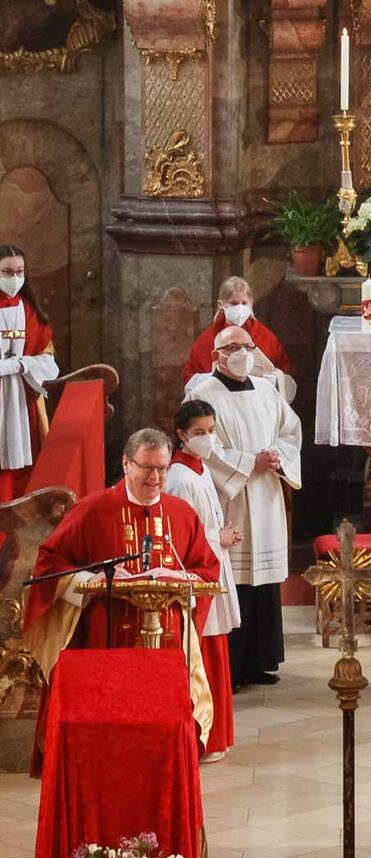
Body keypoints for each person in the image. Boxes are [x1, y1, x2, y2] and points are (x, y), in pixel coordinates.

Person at [22, 428, 222, 761]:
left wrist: (179, 576)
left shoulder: (181, 514)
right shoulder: (94, 510)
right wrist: (91, 578)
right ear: (126, 463)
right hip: (109, 637)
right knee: (111, 739)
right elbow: (48, 565)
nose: (155, 477)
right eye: (147, 467)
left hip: (170, 642)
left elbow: (207, 571)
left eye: (162, 468)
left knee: (165, 735)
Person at [187, 326, 302, 690]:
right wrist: (248, 462)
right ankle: (232, 666)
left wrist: (276, 457)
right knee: (235, 580)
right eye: (233, 347)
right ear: (217, 355)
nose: (242, 353)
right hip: (230, 495)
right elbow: (203, 445)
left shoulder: (267, 390)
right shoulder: (202, 393)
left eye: (247, 347)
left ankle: (261, 660)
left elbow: (291, 431)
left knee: (264, 580)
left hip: (266, 493)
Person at [166, 400, 243, 762]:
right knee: (203, 656)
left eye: (211, 431)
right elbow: (179, 537)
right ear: (181, 435)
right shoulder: (179, 478)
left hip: (214, 567)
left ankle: (217, 737)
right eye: (200, 433)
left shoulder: (199, 470)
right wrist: (219, 538)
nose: (208, 438)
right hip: (198, 576)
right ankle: (203, 738)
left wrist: (221, 534)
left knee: (216, 651)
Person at [0, 244, 59, 502]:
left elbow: (49, 362)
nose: (14, 278)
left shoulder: (31, 311)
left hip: (22, 400)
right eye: (7, 272)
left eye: (20, 272)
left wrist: (20, 365)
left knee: (22, 465)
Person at [182, 276, 295, 402]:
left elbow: (285, 374)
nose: (240, 308)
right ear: (221, 305)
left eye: (244, 303)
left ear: (251, 303)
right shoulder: (207, 339)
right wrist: (217, 379)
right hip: (220, 404)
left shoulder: (266, 336)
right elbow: (190, 378)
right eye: (234, 303)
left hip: (257, 402)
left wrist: (271, 380)